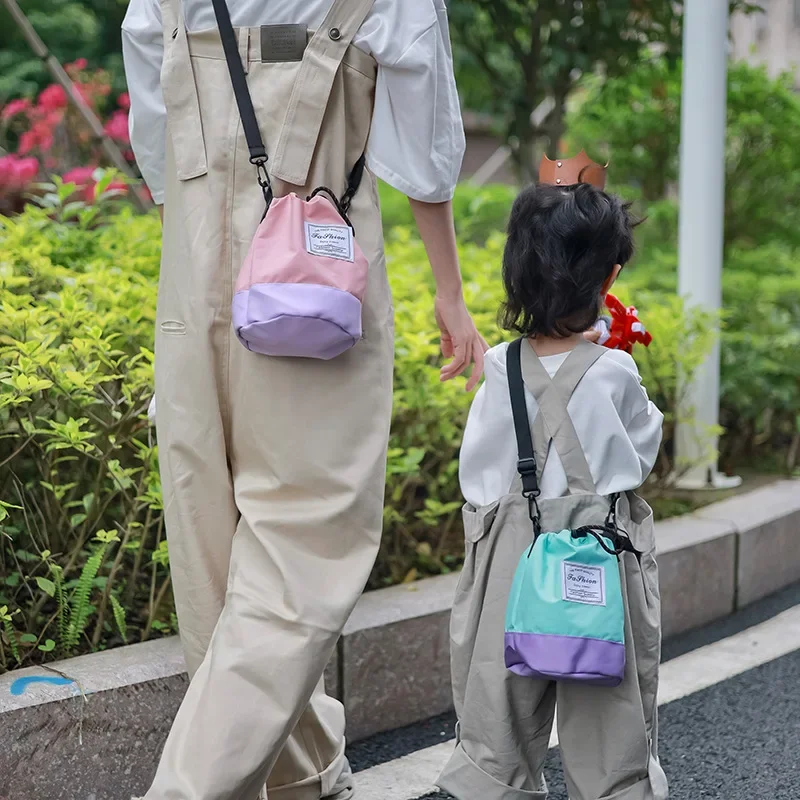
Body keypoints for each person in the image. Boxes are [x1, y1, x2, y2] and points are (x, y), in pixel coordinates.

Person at [121, 1, 485, 798]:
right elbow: (423, 135)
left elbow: (149, 82)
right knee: (304, 539)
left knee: (212, 541)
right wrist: (450, 295)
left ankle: (306, 776)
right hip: (314, 268)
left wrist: (191, 226)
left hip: (192, 254)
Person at [437, 181, 669, 800]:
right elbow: (643, 448)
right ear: (610, 276)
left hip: (509, 549)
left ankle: (494, 782)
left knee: (497, 700)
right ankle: (613, 787)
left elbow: (480, 471)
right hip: (598, 549)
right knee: (609, 706)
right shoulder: (615, 370)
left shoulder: (497, 369)